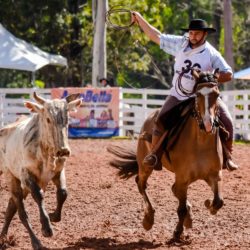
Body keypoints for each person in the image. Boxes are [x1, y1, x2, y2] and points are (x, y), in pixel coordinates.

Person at [132, 12, 238, 171]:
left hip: (203, 96)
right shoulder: (180, 43)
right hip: (178, 94)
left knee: (228, 121)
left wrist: (214, 77)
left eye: (197, 33)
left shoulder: (211, 53)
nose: (193, 36)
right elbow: (156, 36)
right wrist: (140, 19)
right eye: (191, 33)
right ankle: (154, 155)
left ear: (204, 35)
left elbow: (228, 73)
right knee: (160, 120)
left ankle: (227, 157)